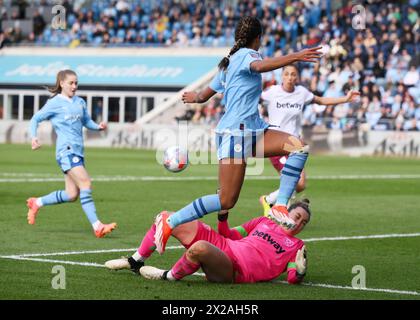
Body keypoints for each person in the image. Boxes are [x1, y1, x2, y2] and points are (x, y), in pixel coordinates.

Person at [154, 16, 323, 254]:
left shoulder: (228, 62)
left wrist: (195, 97)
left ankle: (281, 205)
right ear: (257, 39)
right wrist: (296, 56)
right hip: (236, 133)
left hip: (251, 130)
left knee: (298, 146)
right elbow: (260, 67)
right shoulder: (247, 55)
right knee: (226, 201)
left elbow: (204, 96)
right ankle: (170, 222)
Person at [105, 199, 310, 284]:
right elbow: (229, 234)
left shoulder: (298, 246)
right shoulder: (263, 221)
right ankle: (135, 261)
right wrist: (223, 216)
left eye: (304, 221)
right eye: (297, 215)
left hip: (234, 269)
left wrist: (299, 271)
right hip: (225, 245)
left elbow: (292, 277)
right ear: (287, 211)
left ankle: (167, 276)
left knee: (200, 249)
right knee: (168, 218)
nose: (298, 221)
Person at [259, 64, 360, 216]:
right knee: (296, 181)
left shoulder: (302, 92)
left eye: (293, 74)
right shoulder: (272, 92)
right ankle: (279, 212)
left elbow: (320, 100)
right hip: (276, 144)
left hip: (294, 145)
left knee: (300, 185)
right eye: (286, 74)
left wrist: (345, 99)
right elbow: (252, 99)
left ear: (297, 77)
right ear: (282, 76)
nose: (290, 77)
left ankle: (270, 201)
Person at [27, 69, 117, 238]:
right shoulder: (55, 103)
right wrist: (33, 137)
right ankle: (97, 226)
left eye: (76, 83)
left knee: (71, 194)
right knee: (85, 183)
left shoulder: (80, 102)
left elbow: (86, 121)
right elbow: (35, 119)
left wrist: (98, 126)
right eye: (71, 83)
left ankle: (36, 202)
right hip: (66, 151)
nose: (74, 86)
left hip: (78, 152)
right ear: (62, 83)